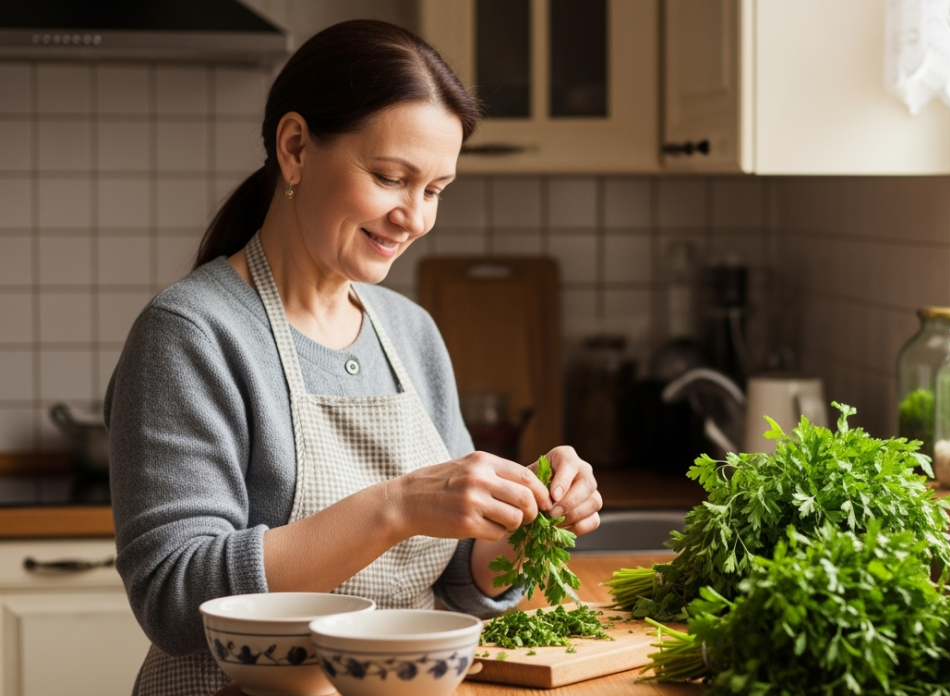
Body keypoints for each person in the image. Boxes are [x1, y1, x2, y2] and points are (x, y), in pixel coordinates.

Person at [106, 19, 602, 695]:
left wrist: (523, 520)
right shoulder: (193, 332)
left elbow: (458, 576)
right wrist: (393, 508)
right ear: (295, 148)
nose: (415, 218)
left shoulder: (410, 331)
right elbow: (173, 596)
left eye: (434, 190)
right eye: (392, 177)